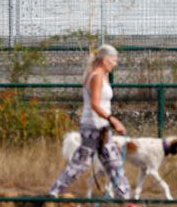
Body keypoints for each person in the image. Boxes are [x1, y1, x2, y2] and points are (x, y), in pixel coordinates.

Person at [49, 44, 132, 200]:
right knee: (82, 163)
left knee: (113, 163)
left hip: (101, 127)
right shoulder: (97, 76)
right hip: (93, 127)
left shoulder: (99, 75)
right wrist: (113, 119)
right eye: (114, 59)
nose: (116, 63)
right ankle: (53, 193)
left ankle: (126, 198)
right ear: (104, 60)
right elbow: (95, 104)